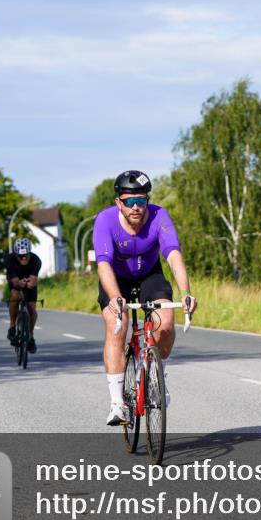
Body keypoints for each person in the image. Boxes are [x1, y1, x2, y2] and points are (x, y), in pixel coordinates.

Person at [93, 170, 197, 426]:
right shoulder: (105, 220)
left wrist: (185, 293)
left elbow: (173, 257)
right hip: (117, 279)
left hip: (150, 275)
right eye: (130, 201)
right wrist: (116, 297)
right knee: (118, 326)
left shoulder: (159, 217)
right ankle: (117, 402)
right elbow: (103, 264)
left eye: (142, 200)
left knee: (166, 322)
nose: (137, 207)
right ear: (119, 202)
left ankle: (157, 376)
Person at [5, 238, 42, 353]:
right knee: (15, 296)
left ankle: (30, 335)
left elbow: (32, 283)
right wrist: (21, 283)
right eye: (21, 256)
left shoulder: (36, 260)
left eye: (26, 255)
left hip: (29, 281)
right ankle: (12, 326)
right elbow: (16, 282)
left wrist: (27, 283)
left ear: (29, 253)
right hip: (15, 279)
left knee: (31, 307)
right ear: (16, 255)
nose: (24, 258)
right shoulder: (9, 260)